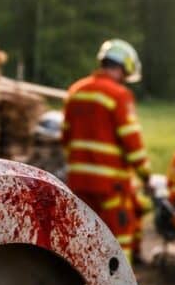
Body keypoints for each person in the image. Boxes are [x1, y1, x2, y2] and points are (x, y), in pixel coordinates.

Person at [61, 39, 151, 261]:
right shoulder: (118, 95)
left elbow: (66, 136)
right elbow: (132, 142)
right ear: (123, 67)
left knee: (83, 236)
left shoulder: (76, 91)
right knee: (120, 238)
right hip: (110, 184)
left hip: (79, 181)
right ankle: (121, 282)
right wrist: (145, 174)